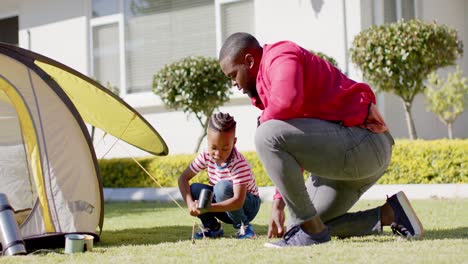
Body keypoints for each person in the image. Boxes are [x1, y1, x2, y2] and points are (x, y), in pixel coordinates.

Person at [218, 32, 424, 247]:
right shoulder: (266, 87)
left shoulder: (281, 55)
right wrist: (279, 203)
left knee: (265, 134)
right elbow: (289, 149)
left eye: (233, 75)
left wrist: (263, 121)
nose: (234, 84)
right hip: (347, 158)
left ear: (249, 61)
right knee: (302, 223)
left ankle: (312, 234)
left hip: (365, 142)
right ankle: (390, 214)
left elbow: (287, 104)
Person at [178, 112, 261, 239]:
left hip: (246, 207)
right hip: (223, 205)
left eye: (225, 149)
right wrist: (191, 204)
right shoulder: (206, 155)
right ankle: (212, 227)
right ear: (208, 140)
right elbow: (183, 178)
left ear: (234, 142)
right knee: (195, 189)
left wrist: (207, 208)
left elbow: (238, 202)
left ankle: (244, 227)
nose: (218, 153)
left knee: (221, 187)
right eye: (214, 147)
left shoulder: (238, 163)